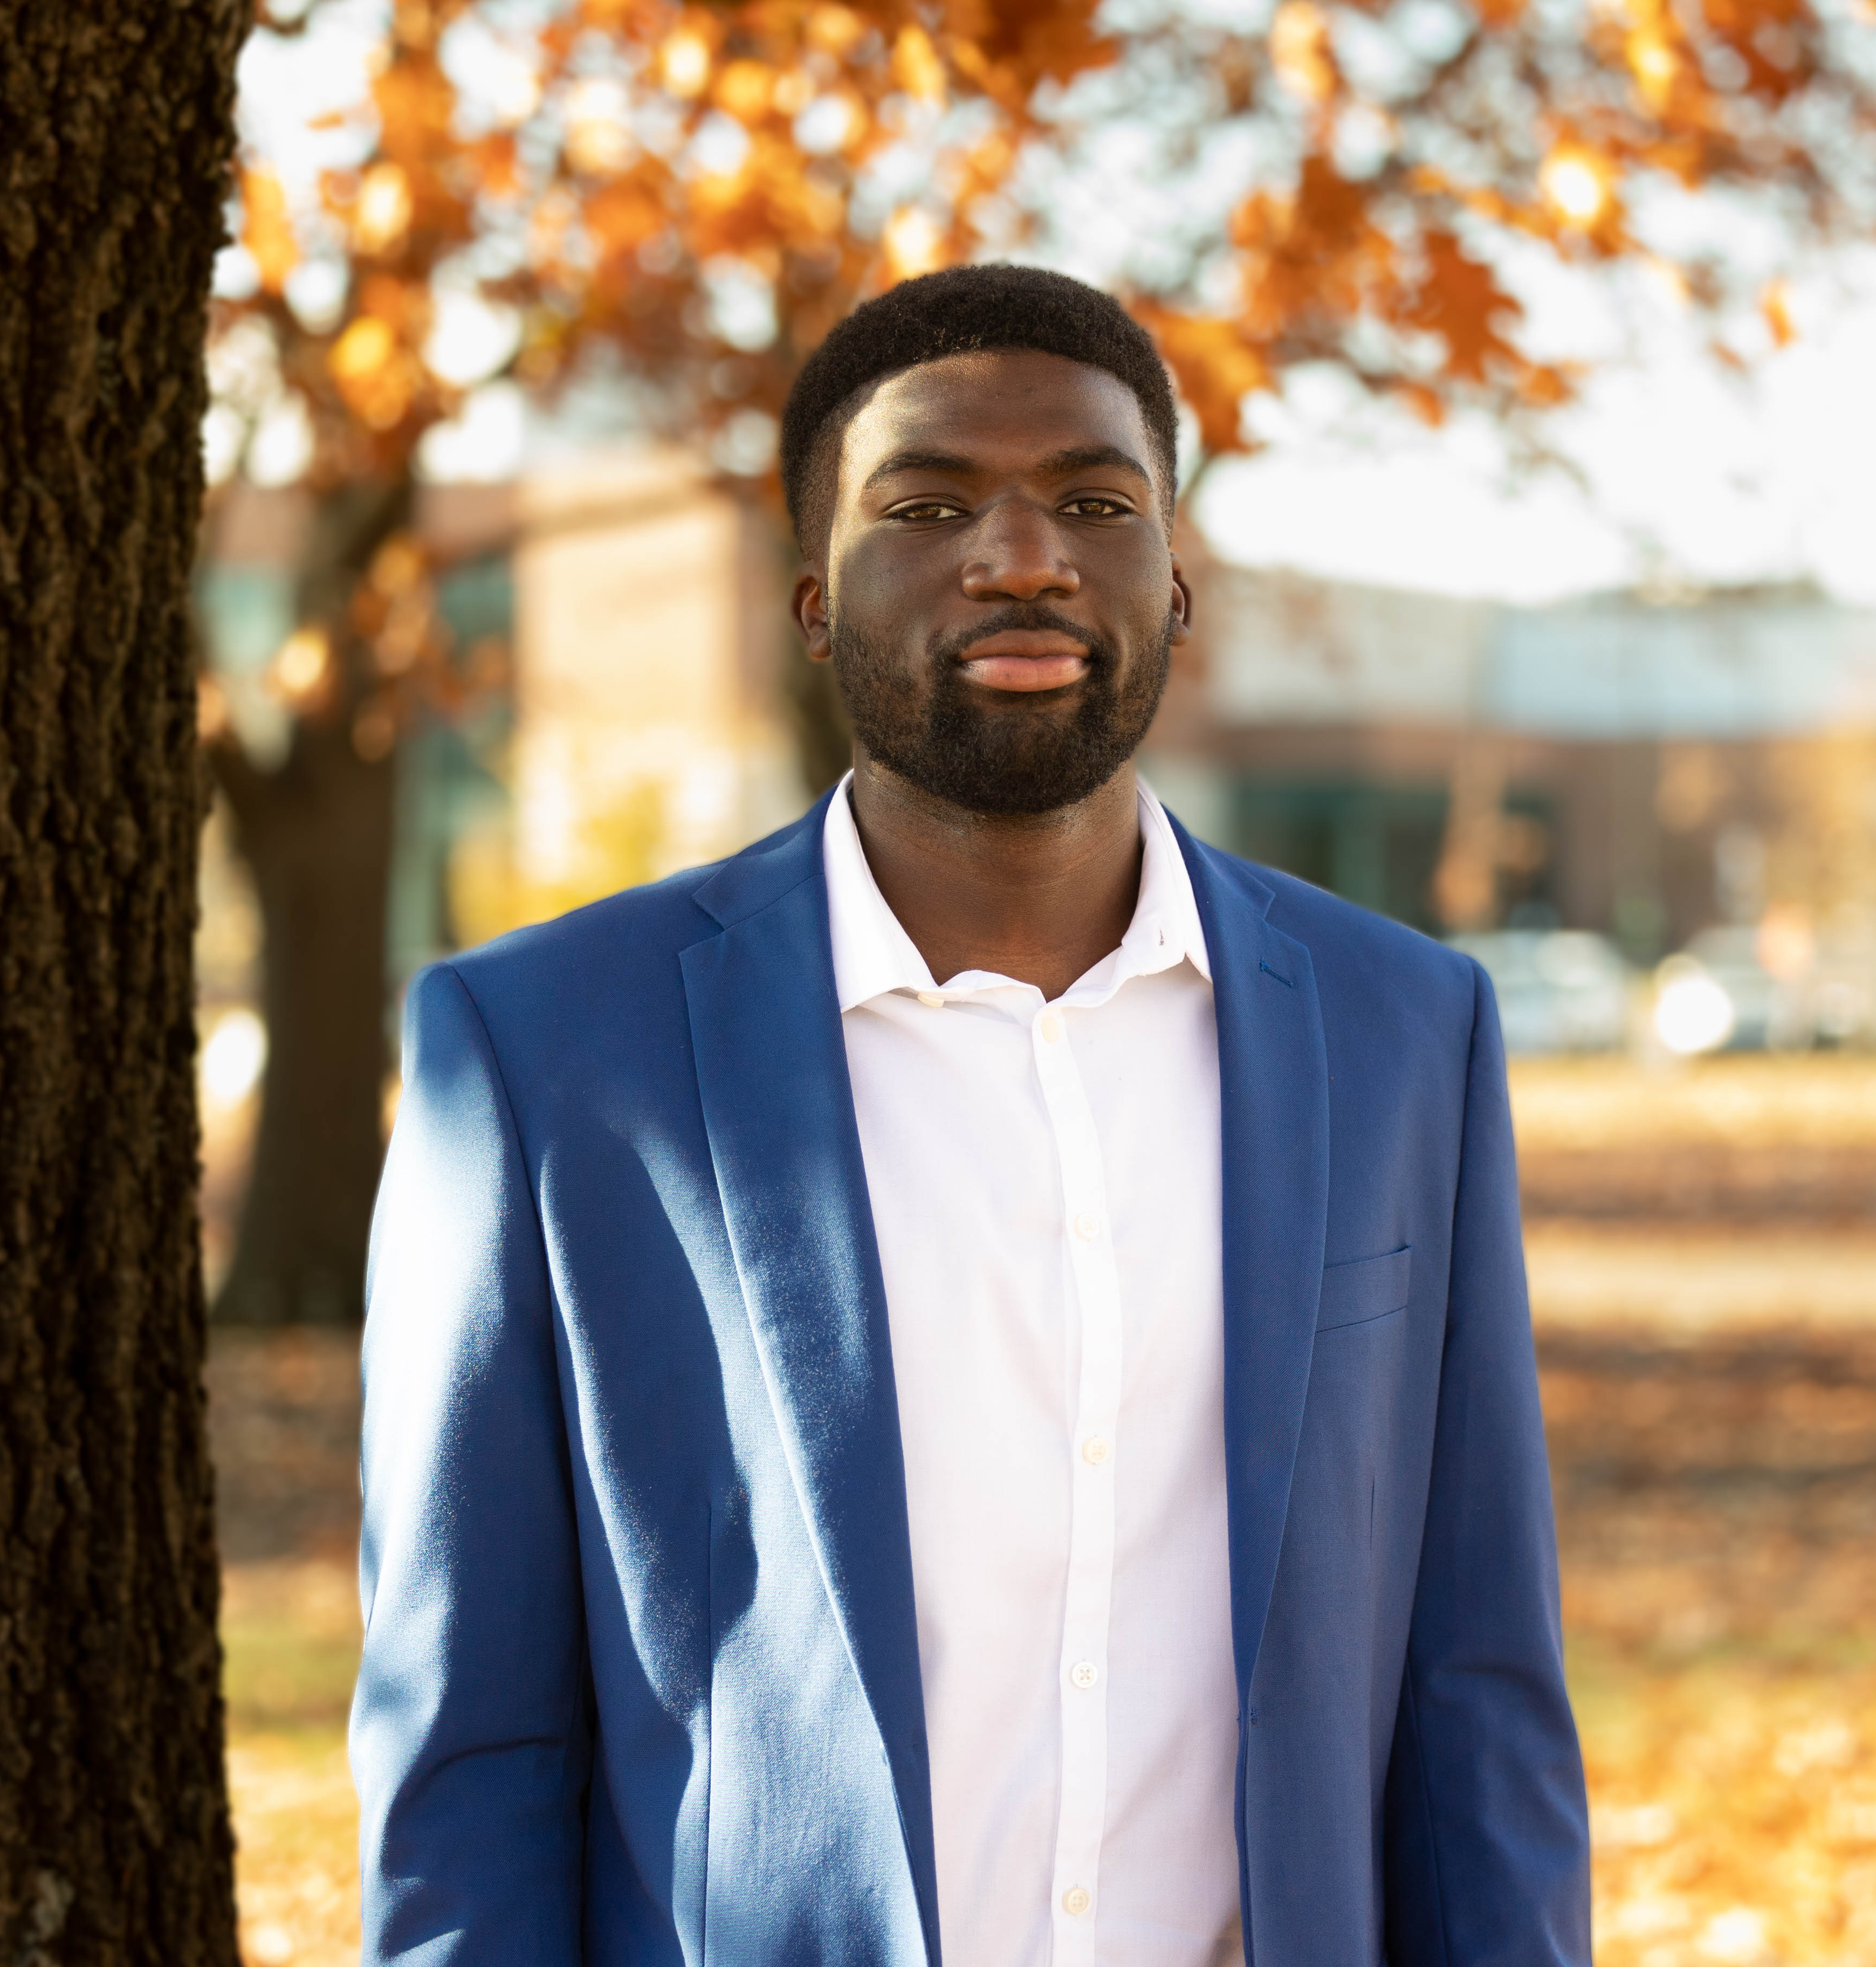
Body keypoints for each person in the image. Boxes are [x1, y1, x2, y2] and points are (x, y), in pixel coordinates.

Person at [353, 263, 1591, 1966]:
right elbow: (471, 1747)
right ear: (812, 598)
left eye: (1095, 499)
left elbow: (1478, 1696)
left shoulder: (1403, 1030)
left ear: (1178, 588)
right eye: (928, 505)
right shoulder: (547, 1049)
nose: (1021, 556)